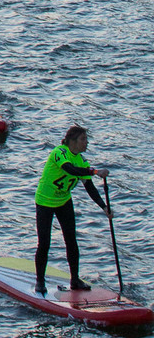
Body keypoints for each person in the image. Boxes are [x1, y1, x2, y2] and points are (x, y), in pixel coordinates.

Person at [35, 126, 109, 294]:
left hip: (64, 202)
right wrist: (95, 171)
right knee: (44, 243)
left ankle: (75, 280)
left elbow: (89, 186)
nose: (87, 142)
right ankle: (40, 281)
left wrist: (104, 207)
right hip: (45, 202)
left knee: (71, 241)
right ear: (73, 141)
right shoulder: (59, 152)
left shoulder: (81, 160)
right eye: (83, 139)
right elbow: (70, 169)